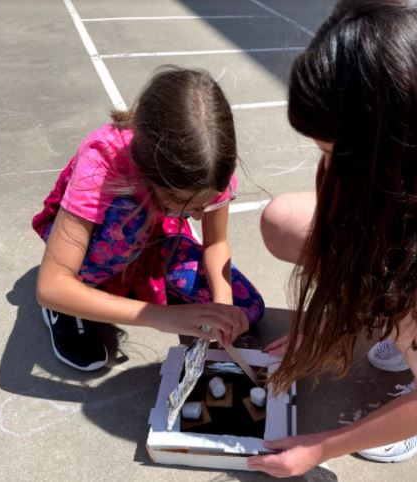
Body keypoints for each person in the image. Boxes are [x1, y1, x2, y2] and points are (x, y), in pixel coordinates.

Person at [251, 0, 417, 475]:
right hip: (409, 233)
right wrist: (327, 321)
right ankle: (404, 321)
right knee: (281, 220)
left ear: (396, 146)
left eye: (334, 153)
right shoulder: (384, 165)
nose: (325, 166)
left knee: (413, 302)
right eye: (320, 151)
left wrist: (321, 446)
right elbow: (341, 235)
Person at [33, 66, 263, 371]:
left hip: (153, 237)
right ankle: (73, 303)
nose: (196, 215)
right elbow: (50, 285)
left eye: (204, 204)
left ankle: (124, 287)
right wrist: (160, 317)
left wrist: (222, 305)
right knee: (125, 224)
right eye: (183, 203)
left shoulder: (209, 163)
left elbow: (216, 242)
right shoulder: (103, 162)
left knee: (246, 310)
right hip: (97, 243)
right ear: (149, 169)